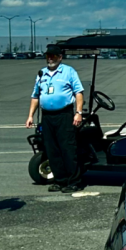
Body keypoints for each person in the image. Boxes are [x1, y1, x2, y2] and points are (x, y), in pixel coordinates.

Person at [25, 44, 85, 192]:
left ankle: (73, 181)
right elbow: (35, 96)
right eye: (48, 56)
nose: (50, 58)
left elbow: (78, 93)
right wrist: (30, 115)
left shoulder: (68, 72)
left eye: (53, 55)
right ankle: (60, 180)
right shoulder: (42, 74)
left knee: (67, 148)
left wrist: (78, 113)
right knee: (52, 149)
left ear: (60, 57)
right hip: (47, 116)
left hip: (64, 115)